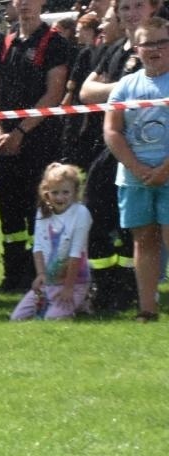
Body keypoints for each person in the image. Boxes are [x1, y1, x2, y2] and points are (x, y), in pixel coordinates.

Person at [0, 0, 73, 293]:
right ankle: (13, 276)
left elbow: (54, 92)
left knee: (39, 211)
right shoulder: (7, 41)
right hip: (5, 142)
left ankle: (43, 276)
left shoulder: (55, 42)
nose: (23, 4)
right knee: (9, 213)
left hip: (39, 142)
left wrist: (21, 131)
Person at [82, 0, 156, 313]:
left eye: (138, 5)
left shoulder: (155, 47)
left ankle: (129, 288)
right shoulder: (114, 49)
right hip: (107, 145)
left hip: (144, 149)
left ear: (153, 9)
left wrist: (112, 91)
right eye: (124, 7)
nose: (130, 13)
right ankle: (103, 283)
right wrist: (125, 88)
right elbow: (86, 92)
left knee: (136, 226)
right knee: (95, 216)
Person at [103, 17, 169, 321]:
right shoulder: (126, 85)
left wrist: (164, 170)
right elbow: (112, 131)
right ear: (136, 48)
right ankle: (147, 309)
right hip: (134, 178)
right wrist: (138, 167)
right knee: (144, 241)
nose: (154, 49)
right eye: (147, 43)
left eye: (161, 42)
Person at [10, 162, 93, 319]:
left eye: (65, 192)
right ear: (46, 193)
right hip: (50, 281)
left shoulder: (81, 213)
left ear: (75, 192)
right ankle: (77, 304)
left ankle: (82, 297)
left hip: (75, 281)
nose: (60, 197)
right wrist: (41, 274)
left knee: (52, 318)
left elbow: (76, 253)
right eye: (55, 193)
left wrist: (68, 287)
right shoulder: (42, 212)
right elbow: (38, 247)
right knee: (17, 318)